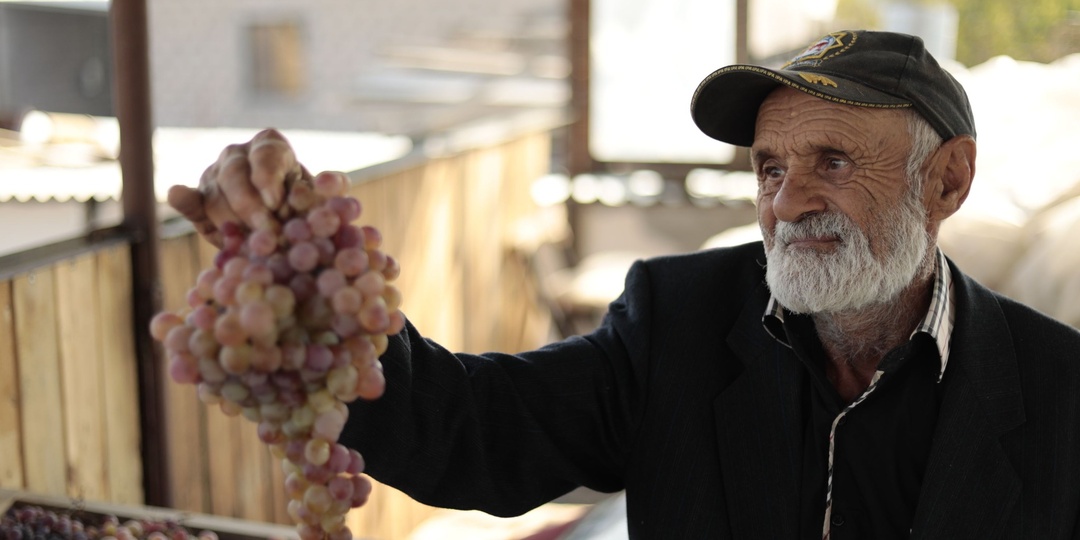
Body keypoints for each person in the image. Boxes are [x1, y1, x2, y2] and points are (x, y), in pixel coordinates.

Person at [169, 30, 1080, 539]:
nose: (788, 200)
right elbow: (478, 429)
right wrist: (319, 299)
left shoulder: (1060, 388)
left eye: (832, 161)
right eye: (767, 167)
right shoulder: (677, 322)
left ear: (947, 181)